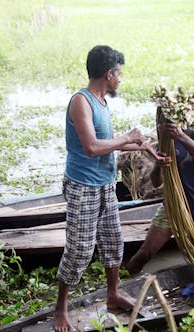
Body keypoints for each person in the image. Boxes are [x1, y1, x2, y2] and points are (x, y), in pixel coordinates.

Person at [54, 45, 155, 332]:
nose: (120, 80)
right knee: (80, 251)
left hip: (105, 185)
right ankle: (60, 309)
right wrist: (126, 137)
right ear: (108, 74)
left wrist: (143, 146)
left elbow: (108, 143)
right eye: (119, 74)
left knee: (113, 242)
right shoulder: (81, 102)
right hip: (82, 187)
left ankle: (112, 294)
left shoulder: (101, 101)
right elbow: (91, 147)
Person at [125, 92, 194, 275]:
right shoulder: (168, 141)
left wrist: (181, 137)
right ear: (183, 115)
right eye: (191, 113)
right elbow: (156, 183)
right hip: (171, 208)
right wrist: (157, 166)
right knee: (144, 254)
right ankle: (121, 286)